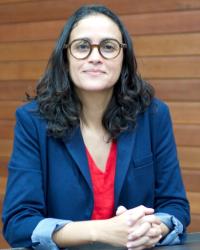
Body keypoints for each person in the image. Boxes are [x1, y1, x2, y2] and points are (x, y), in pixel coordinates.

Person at [2, 4, 190, 250]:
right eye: (82, 46)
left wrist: (152, 229)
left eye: (108, 47)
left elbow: (175, 206)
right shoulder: (33, 121)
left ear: (124, 59)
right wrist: (100, 231)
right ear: (65, 57)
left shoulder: (153, 116)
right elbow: (19, 223)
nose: (95, 56)